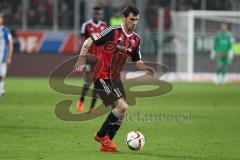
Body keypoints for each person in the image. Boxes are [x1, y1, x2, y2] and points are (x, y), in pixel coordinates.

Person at [74, 6, 155, 152]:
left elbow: (137, 61)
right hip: (102, 76)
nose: (134, 22)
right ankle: (100, 135)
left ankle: (107, 143)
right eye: (131, 19)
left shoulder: (136, 39)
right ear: (124, 18)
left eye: (136, 20)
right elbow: (88, 41)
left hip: (115, 79)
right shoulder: (113, 31)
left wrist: (146, 68)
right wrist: (80, 60)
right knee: (122, 106)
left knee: (123, 112)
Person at [76, 6, 108, 112]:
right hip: (90, 58)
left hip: (100, 59)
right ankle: (81, 100)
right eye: (95, 13)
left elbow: (107, 42)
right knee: (88, 81)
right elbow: (82, 40)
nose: (97, 15)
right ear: (92, 14)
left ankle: (92, 108)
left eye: (99, 14)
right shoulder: (86, 25)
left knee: (98, 84)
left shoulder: (104, 26)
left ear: (101, 15)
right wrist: (85, 54)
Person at [0, 12, 13, 97]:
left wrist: (9, 57)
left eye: (0, 17)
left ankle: (1, 89)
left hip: (2, 56)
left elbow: (10, 44)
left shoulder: (5, 30)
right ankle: (1, 90)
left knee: (2, 74)